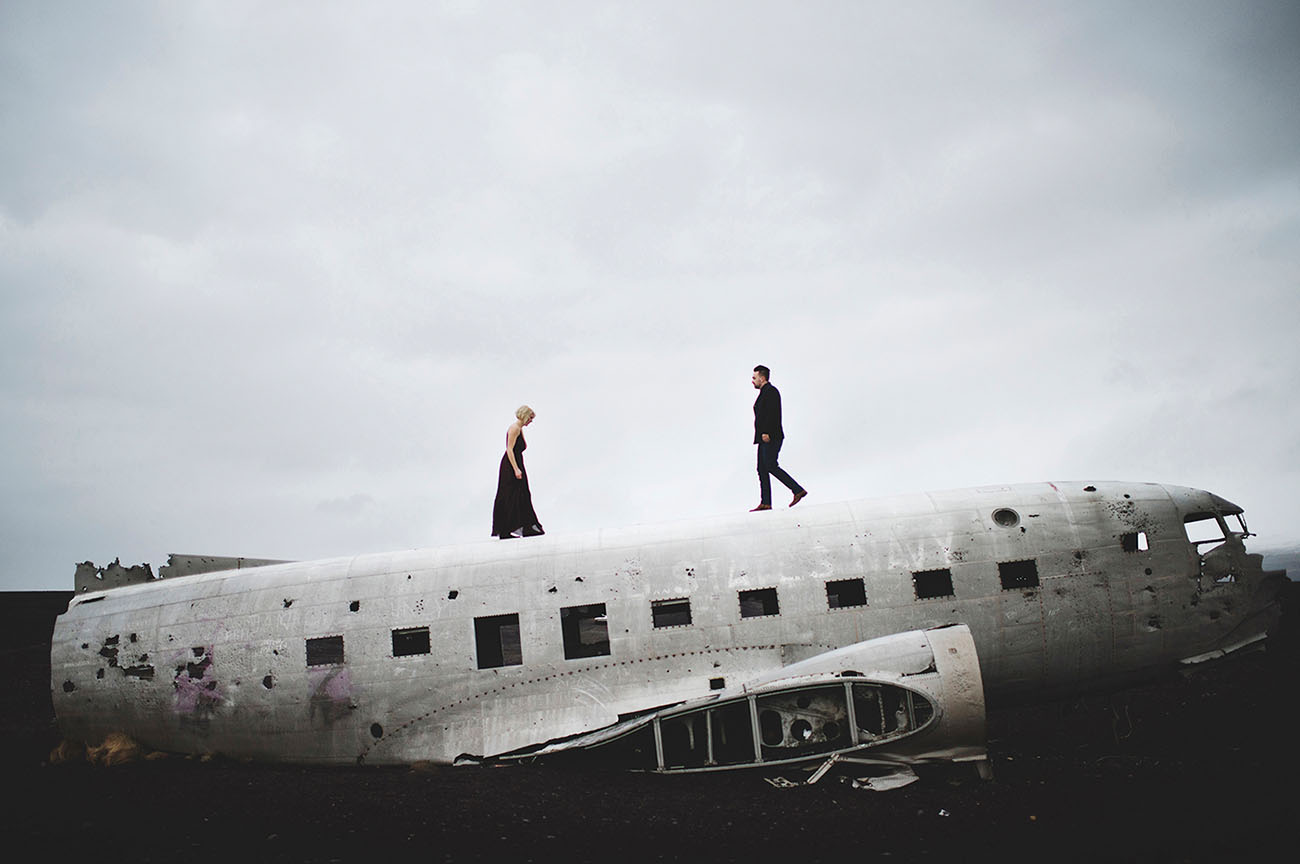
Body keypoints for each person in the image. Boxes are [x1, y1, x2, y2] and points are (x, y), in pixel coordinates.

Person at [750, 365, 807, 511]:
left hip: (770, 436)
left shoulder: (771, 391)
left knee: (770, 465)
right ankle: (766, 503)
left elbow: (773, 413)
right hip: (762, 438)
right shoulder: (764, 393)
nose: (752, 381)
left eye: (754, 378)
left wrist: (766, 432)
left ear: (762, 378)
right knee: (761, 469)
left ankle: (797, 490)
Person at [492, 405, 545, 539]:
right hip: (511, 465)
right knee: (510, 495)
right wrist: (516, 469)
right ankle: (505, 530)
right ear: (525, 416)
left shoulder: (519, 429)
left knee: (523, 494)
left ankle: (526, 526)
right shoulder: (514, 428)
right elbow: (509, 449)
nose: (531, 421)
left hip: (518, 463)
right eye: (530, 418)